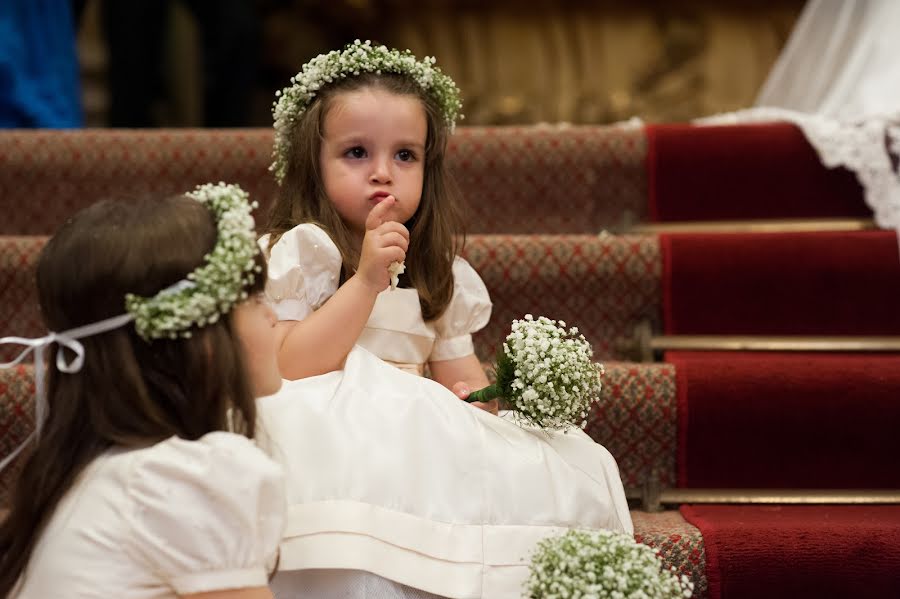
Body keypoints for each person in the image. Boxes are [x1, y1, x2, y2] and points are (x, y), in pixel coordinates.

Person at [257, 41, 633, 598]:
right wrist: (364, 282)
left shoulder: (436, 271)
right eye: (356, 153)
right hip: (332, 419)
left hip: (417, 426)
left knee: (556, 458)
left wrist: (491, 398)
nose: (383, 174)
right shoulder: (302, 252)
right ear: (313, 166)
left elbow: (461, 376)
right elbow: (292, 364)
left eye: (405, 155)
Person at [0, 183, 286, 598]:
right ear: (201, 339)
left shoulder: (99, 472)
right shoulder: (176, 482)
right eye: (255, 297)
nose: (274, 313)